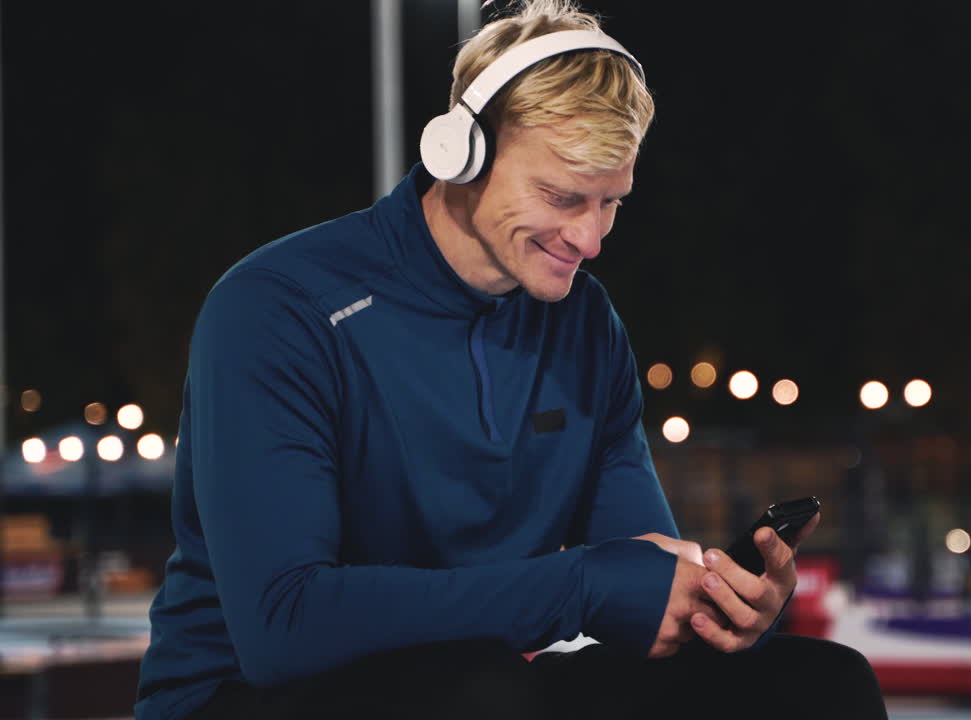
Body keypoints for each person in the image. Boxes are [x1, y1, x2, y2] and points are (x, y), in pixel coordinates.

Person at [135, 1, 887, 718]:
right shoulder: (278, 307)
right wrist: (581, 587)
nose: (590, 240)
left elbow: (636, 579)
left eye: (611, 202)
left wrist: (717, 605)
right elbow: (283, 628)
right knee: (479, 694)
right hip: (245, 699)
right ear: (459, 153)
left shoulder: (584, 323)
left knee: (815, 685)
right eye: (563, 196)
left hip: (481, 690)